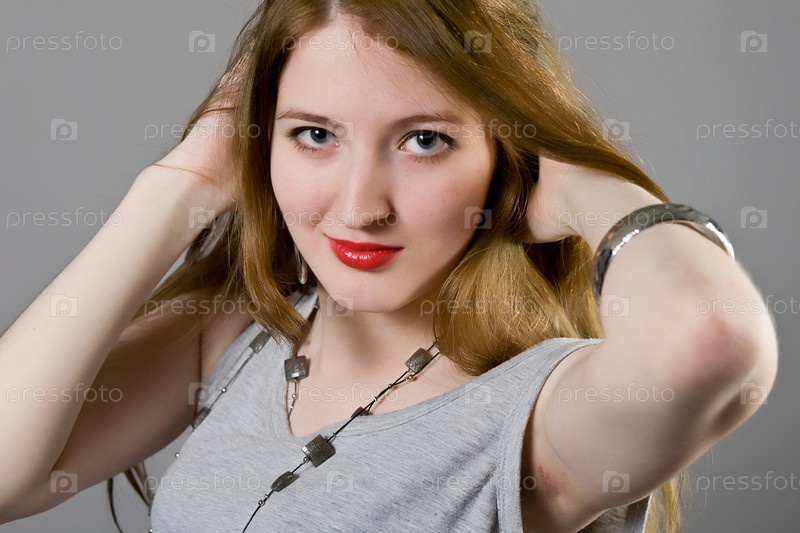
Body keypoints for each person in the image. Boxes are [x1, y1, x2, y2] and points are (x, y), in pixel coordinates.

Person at [0, 0, 778, 532]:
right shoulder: (243, 334)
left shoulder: (537, 419)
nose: (359, 206)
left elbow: (709, 338)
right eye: (315, 135)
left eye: (424, 140)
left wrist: (590, 190)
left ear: (507, 159)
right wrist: (177, 190)